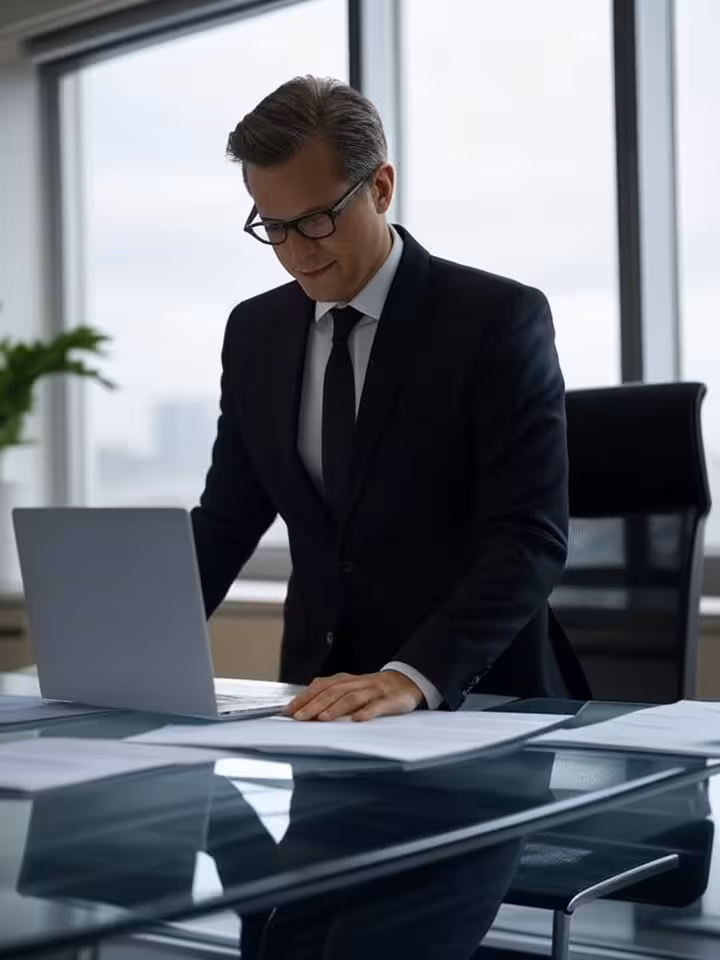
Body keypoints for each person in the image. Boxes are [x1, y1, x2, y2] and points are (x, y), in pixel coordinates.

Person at [192, 75, 590, 722]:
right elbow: (227, 520)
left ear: (380, 187)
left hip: (475, 700)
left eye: (316, 220)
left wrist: (413, 676)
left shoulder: (494, 319)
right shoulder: (255, 330)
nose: (297, 252)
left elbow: (529, 536)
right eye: (275, 227)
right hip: (317, 704)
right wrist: (129, 647)